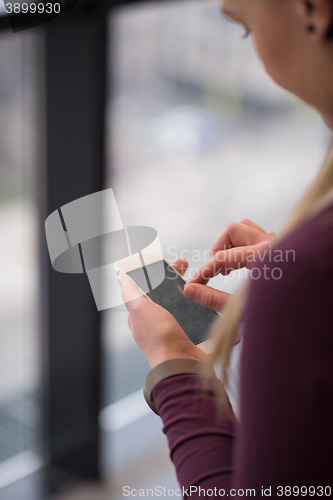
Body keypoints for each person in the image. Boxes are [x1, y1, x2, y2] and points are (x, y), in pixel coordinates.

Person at [118, 0, 333, 497]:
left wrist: (175, 368)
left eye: (244, 29)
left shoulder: (311, 272)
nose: (254, 49)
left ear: (312, 11)